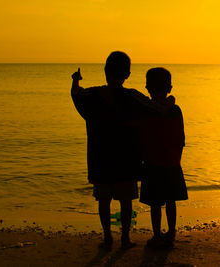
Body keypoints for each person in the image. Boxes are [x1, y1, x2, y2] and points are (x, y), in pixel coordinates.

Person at [70, 52, 174, 251]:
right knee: (126, 201)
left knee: (104, 200)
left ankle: (108, 236)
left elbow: (75, 93)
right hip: (126, 160)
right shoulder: (132, 97)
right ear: (127, 74)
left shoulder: (91, 96)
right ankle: (125, 238)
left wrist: (75, 79)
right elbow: (158, 109)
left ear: (106, 71)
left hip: (99, 159)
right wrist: (172, 100)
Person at [139, 67, 188, 249]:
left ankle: (157, 234)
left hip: (152, 163)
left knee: (154, 203)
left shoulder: (146, 110)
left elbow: (141, 137)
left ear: (148, 88)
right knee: (170, 201)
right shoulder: (176, 110)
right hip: (172, 163)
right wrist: (177, 158)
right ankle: (171, 232)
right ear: (169, 87)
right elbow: (181, 138)